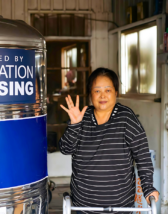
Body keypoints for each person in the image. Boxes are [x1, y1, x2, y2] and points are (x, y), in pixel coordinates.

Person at [59, 68, 159, 213]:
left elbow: (142, 157)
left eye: (108, 90)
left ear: (116, 92)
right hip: (83, 207)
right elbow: (65, 149)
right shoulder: (82, 117)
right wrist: (74, 125)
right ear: (90, 94)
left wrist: (148, 187)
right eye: (97, 90)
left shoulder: (127, 119)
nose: (102, 95)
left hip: (120, 208)